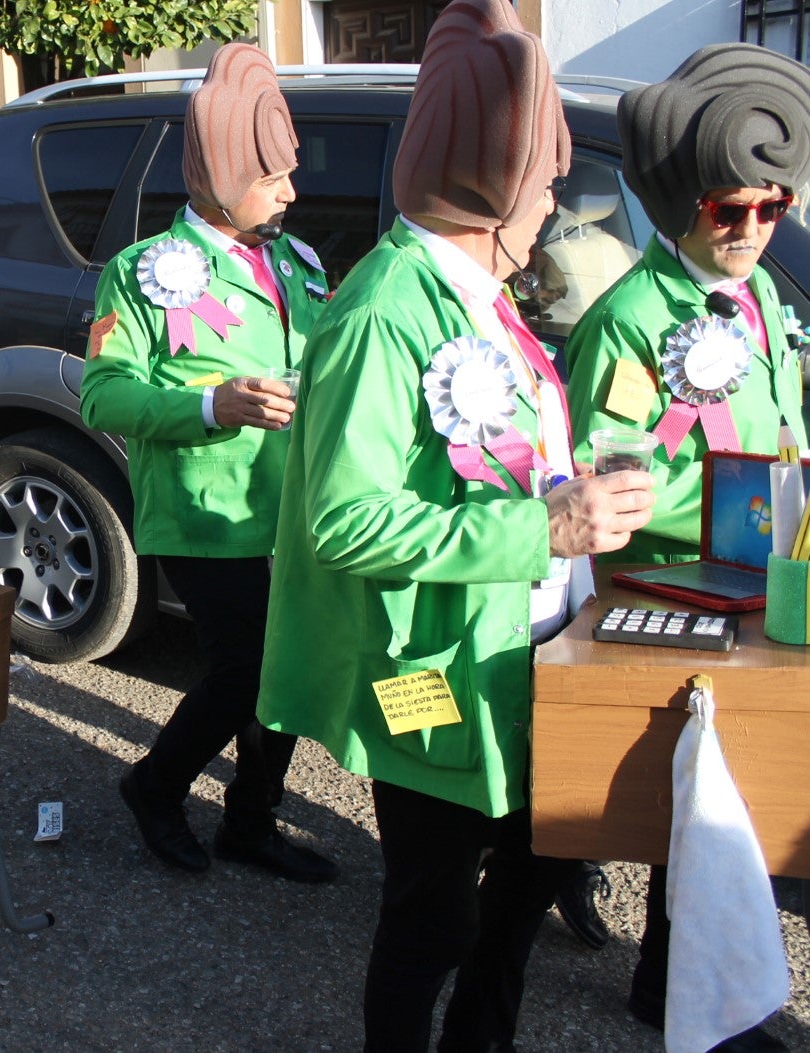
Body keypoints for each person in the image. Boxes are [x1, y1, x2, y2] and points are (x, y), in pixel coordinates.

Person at [253, 2, 656, 1049]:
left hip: (529, 659)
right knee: (430, 919)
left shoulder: (480, 293)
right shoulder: (384, 310)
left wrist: (585, 503)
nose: (558, 198)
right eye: (547, 178)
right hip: (437, 673)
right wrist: (542, 531)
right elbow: (343, 520)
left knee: (524, 890)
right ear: (495, 189)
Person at [563, 43, 810, 1053]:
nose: (751, 230)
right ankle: (658, 981)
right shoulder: (631, 316)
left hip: (759, 583)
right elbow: (598, 471)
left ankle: (666, 984)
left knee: (718, 794)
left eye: (771, 207)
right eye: (728, 210)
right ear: (686, 208)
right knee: (681, 796)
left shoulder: (759, 299)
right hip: (669, 589)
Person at [80, 41, 337, 883]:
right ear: (222, 179)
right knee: (246, 666)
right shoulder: (141, 274)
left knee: (287, 665)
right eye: (272, 179)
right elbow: (103, 397)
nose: (291, 194)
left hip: (289, 507)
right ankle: (154, 786)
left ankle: (249, 821)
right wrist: (208, 404)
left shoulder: (295, 262)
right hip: (201, 512)